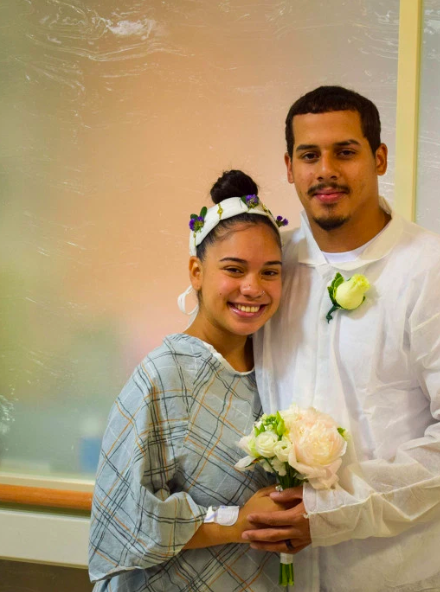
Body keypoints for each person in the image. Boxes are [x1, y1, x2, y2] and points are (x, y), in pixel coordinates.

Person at [243, 86, 440, 591]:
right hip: (285, 573)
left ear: (379, 158)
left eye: (345, 152)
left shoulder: (437, 273)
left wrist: (334, 510)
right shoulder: (269, 270)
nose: (326, 170)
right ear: (288, 167)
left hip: (404, 571)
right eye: (309, 155)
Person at [88, 170, 290, 591]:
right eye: (234, 269)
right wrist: (238, 522)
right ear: (196, 272)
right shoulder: (165, 374)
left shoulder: (279, 369)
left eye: (270, 272)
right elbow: (126, 520)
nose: (252, 287)